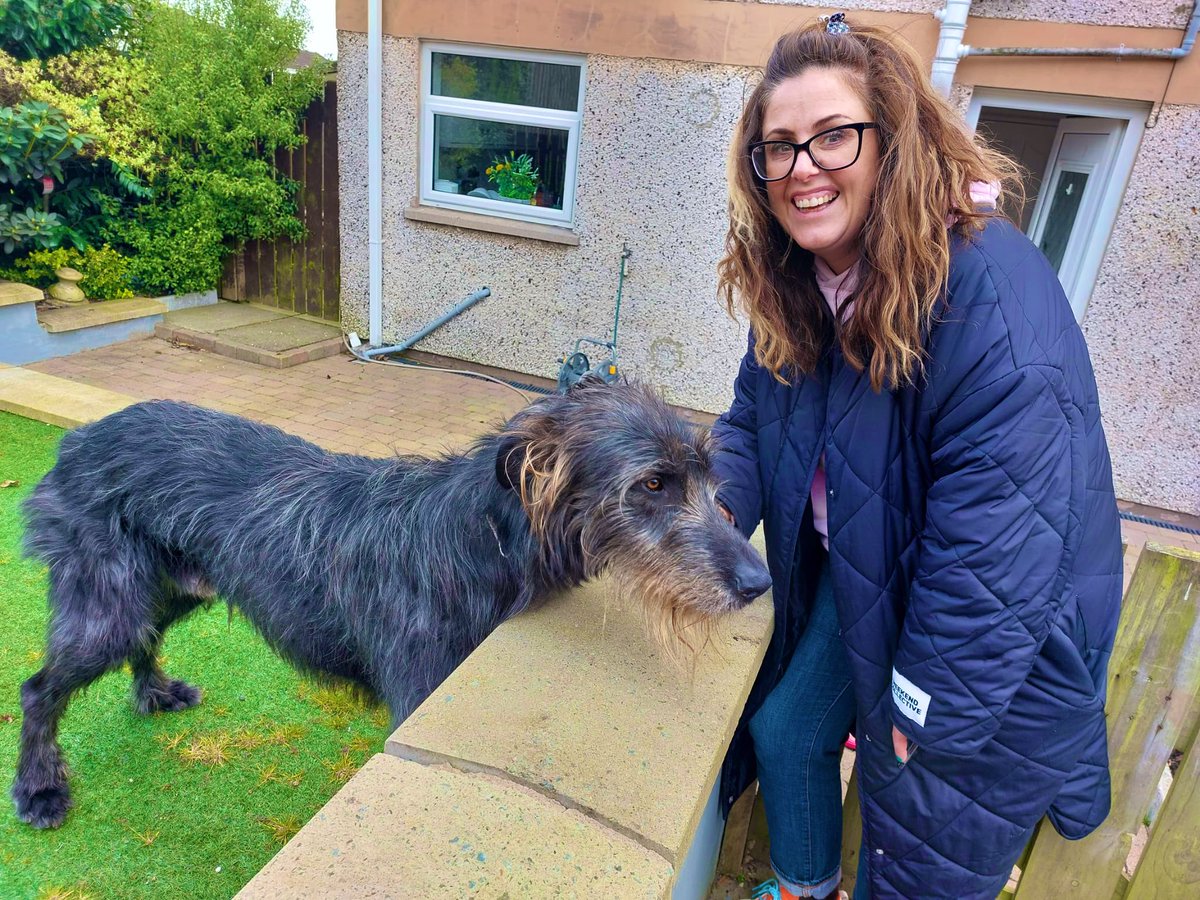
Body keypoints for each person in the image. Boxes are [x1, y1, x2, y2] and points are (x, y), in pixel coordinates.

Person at [710, 15, 1123, 900]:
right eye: (777, 148)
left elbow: (998, 536)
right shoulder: (804, 283)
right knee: (787, 733)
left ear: (893, 140)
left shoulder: (987, 291)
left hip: (981, 647)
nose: (802, 168)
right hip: (866, 576)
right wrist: (697, 518)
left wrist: (924, 699)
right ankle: (802, 884)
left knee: (915, 845)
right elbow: (750, 420)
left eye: (833, 137)